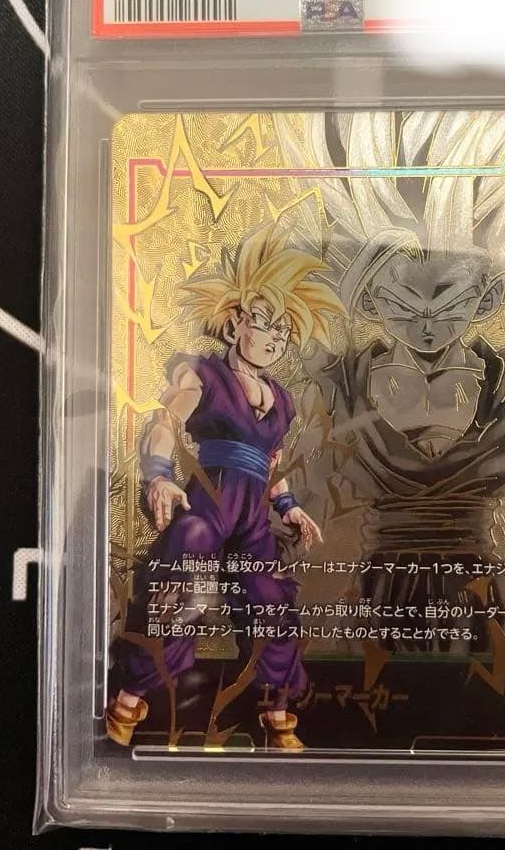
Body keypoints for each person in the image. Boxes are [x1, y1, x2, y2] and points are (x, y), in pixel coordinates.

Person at [106, 222, 345, 750]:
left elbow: (272, 461)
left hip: (253, 515)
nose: (274, 338)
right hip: (208, 500)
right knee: (180, 588)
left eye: (283, 332)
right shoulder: (203, 375)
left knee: (271, 601)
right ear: (236, 323)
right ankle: (126, 702)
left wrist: (288, 505)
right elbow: (165, 422)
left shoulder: (281, 398)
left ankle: (278, 717)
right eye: (264, 324)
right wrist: (159, 476)